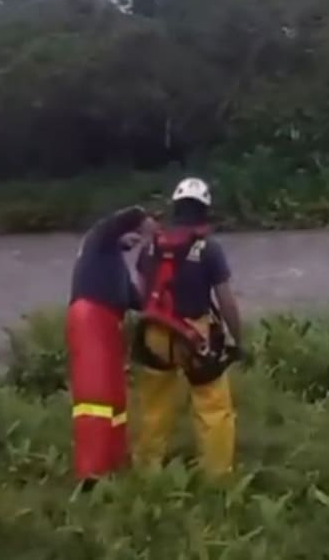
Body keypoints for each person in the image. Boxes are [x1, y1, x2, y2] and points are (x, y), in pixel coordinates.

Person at [132, 177, 244, 478]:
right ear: (205, 210)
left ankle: (147, 470)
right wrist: (237, 337)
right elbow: (226, 301)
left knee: (153, 406)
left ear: (175, 207)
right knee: (212, 406)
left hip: (154, 332)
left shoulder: (151, 247)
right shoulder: (209, 249)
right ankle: (217, 477)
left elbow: (143, 292)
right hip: (194, 337)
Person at [66, 205, 158, 489]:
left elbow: (137, 300)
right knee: (96, 399)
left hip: (109, 323)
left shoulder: (114, 260)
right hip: (90, 317)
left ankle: (114, 462)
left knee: (115, 399)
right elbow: (118, 221)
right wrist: (144, 221)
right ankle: (91, 475)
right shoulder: (97, 240)